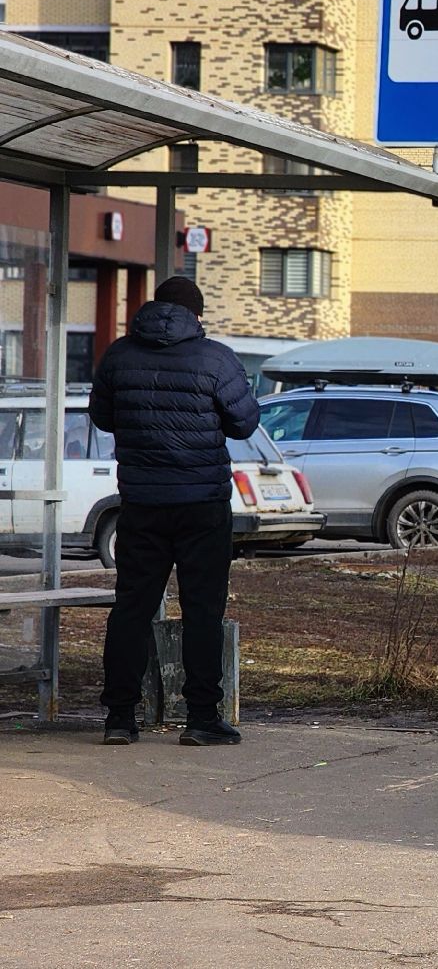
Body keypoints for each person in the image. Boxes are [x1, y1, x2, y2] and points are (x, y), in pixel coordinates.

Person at [88, 277, 260, 746]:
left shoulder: (119, 355)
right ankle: (202, 718)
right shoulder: (215, 358)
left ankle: (120, 718)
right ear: (196, 314)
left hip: (142, 503)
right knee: (203, 610)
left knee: (131, 608)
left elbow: (102, 416)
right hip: (202, 504)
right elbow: (244, 424)